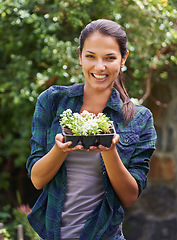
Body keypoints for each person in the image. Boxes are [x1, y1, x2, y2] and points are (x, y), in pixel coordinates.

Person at [26, 19, 157, 240]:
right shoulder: (52, 101)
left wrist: (109, 150)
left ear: (123, 59)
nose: (99, 67)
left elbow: (129, 195)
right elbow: (37, 179)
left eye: (109, 58)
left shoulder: (139, 118)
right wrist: (60, 149)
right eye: (90, 56)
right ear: (80, 56)